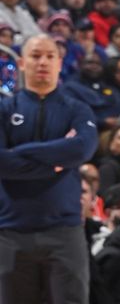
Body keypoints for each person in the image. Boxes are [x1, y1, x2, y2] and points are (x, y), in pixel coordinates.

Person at [0, 34, 99, 303]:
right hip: (10, 233)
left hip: (65, 232)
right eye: (35, 56)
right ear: (21, 63)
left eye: (49, 56)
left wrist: (20, 153)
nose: (42, 62)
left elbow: (82, 149)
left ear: (59, 62)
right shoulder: (4, 109)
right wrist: (56, 161)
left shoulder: (77, 109)